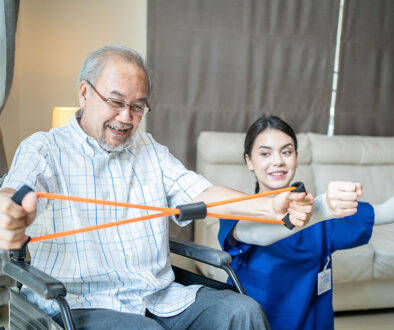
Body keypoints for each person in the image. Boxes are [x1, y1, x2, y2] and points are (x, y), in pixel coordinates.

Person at [0, 46, 315, 329]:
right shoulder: (44, 148)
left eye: (138, 107)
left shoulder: (148, 149)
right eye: (115, 102)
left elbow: (201, 194)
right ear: (84, 93)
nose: (126, 117)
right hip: (81, 304)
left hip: (159, 297)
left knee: (242, 311)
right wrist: (9, 214)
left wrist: (267, 205)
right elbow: (14, 197)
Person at [218, 115, 394, 330]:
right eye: (265, 153)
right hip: (253, 323)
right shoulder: (234, 210)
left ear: (296, 157)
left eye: (286, 151)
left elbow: (384, 212)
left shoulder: (323, 213)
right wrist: (321, 209)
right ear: (249, 161)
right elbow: (255, 234)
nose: (278, 161)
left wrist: (322, 209)